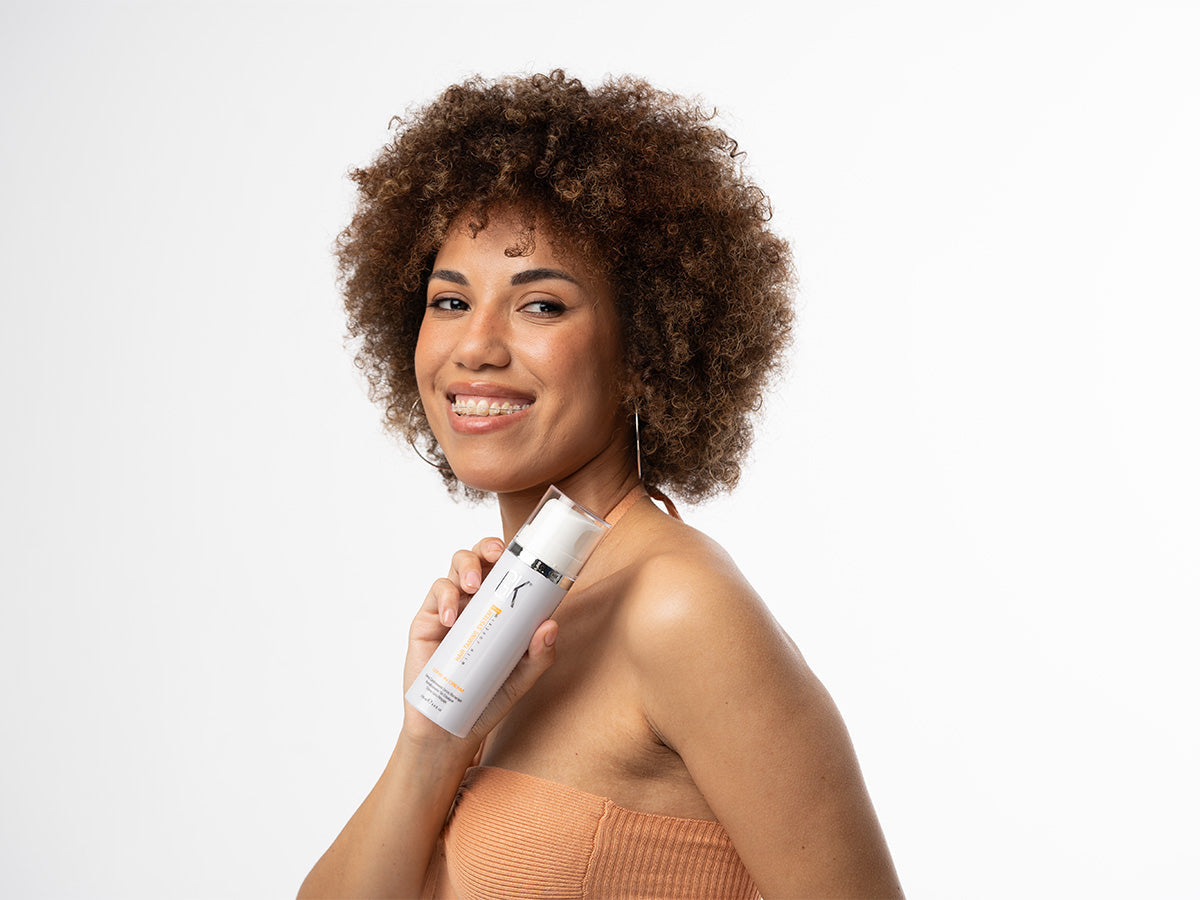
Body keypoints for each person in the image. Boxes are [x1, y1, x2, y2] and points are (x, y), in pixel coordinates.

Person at [299, 70, 903, 900]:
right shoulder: (495, 620)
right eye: (450, 301)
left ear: (643, 350)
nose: (475, 347)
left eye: (541, 305)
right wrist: (433, 740)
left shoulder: (679, 609)